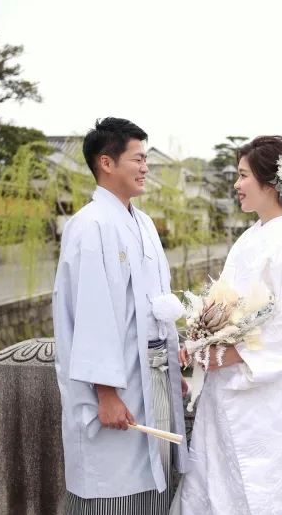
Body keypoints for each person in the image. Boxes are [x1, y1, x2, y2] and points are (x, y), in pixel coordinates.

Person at [173, 136, 282, 515]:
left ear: (270, 183)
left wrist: (230, 353)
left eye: (243, 175)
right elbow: (224, 304)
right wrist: (199, 342)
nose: (236, 184)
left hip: (261, 392)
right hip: (224, 389)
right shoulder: (250, 237)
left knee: (264, 492)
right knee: (215, 484)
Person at [53, 117, 189, 515]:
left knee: (155, 482)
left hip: (152, 377)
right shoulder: (89, 225)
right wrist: (106, 393)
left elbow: (156, 304)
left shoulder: (142, 222)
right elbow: (91, 314)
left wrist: (171, 369)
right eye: (138, 159)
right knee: (113, 487)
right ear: (107, 163)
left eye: (146, 159)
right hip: (117, 387)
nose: (146, 168)